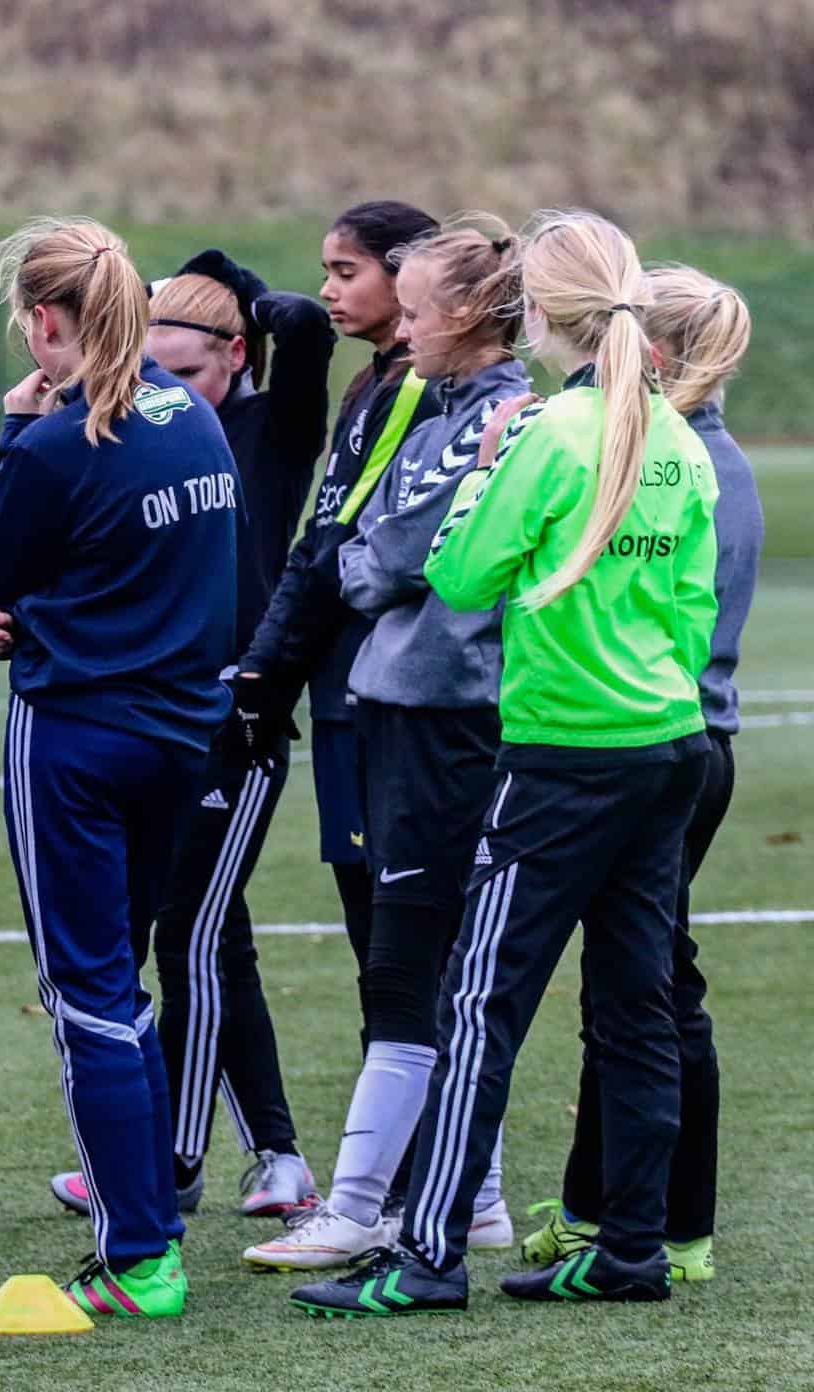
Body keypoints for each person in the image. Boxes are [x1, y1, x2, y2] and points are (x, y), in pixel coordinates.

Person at [293, 211, 719, 1317]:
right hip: (663, 746)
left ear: (536, 313)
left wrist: (482, 473)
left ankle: (426, 1252)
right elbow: (687, 606)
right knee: (632, 1009)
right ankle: (630, 1248)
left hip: (561, 756)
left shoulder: (544, 435)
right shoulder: (672, 438)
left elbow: (463, 576)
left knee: (476, 1001)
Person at [247, 215, 529, 1272]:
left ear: (461, 314)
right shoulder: (437, 404)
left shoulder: (496, 416)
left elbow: (385, 556)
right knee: (423, 962)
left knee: (410, 963)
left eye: (411, 310)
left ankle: (361, 1205)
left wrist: (378, 565)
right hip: (406, 704)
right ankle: (478, 1191)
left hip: (444, 715)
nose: (398, 333)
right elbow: (367, 545)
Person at [0, 216, 240, 1320]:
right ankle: (150, 1223)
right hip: (179, 737)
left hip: (76, 736)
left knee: (86, 993)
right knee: (119, 983)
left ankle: (139, 1253)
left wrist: (14, 431)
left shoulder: (49, 444)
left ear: (43, 322)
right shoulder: (195, 421)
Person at [50, 249, 333, 1225]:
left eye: (195, 367)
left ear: (237, 358)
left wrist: (222, 283)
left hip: (237, 724)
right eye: (154, 364)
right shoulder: (151, 430)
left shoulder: (269, 426)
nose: (175, 388)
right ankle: (279, 1157)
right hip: (160, 719)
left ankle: (167, 1162)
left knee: (194, 937)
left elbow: (306, 324)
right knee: (216, 937)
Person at [520, 265, 757, 1286]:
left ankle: (664, 1225)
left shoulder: (686, 460)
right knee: (635, 986)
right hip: (675, 743)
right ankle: (613, 1214)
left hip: (662, 746)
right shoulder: (680, 451)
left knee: (649, 990)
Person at [231, 203, 444, 1004]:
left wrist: (261, 673)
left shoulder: (413, 389)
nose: (328, 289)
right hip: (357, 688)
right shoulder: (382, 379)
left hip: (377, 694)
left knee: (395, 953)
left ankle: (432, 1129)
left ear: (407, 274)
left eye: (346, 272)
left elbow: (331, 545)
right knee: (388, 949)